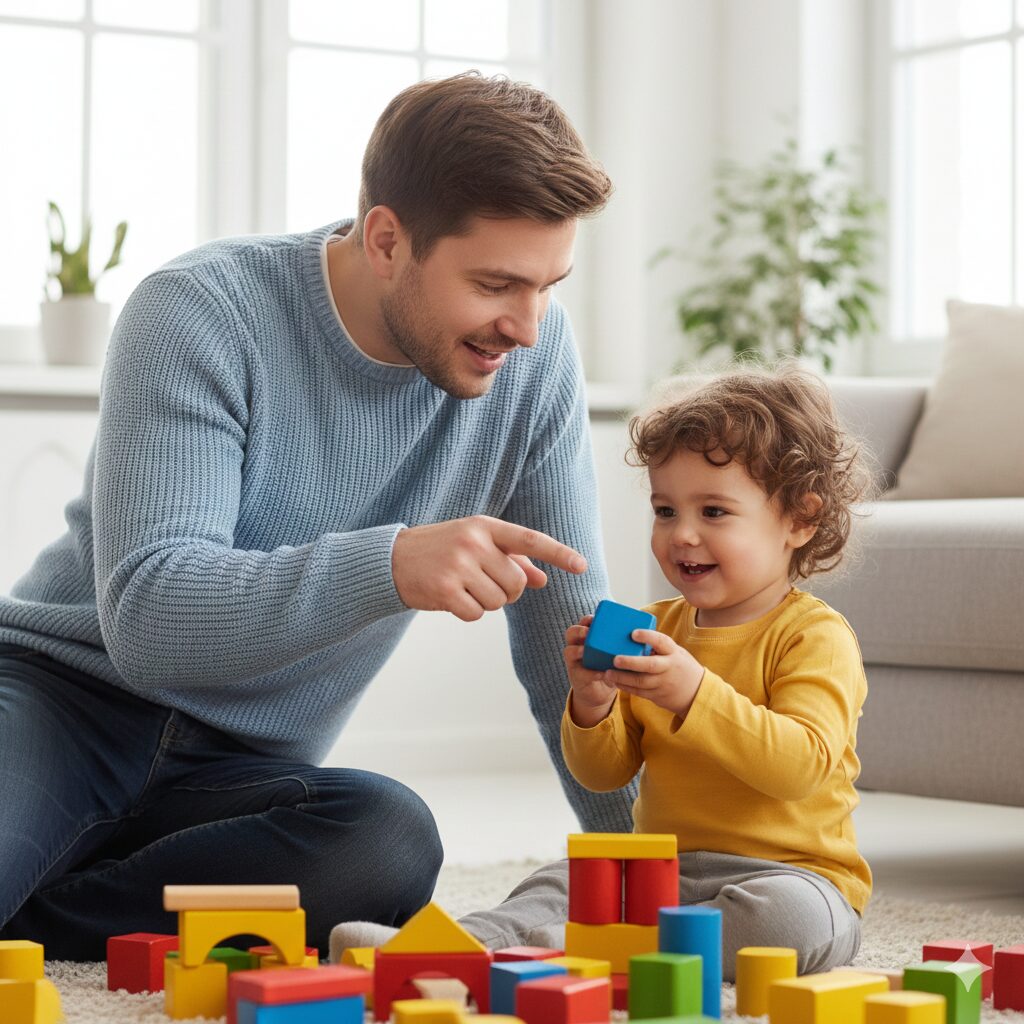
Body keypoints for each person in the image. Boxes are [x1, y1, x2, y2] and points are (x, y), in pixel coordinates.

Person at [0, 72, 634, 960]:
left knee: (387, 841)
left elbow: (565, 635)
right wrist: (391, 564)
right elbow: (147, 618)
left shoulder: (532, 363)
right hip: (66, 702)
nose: (526, 327)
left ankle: (29, 912)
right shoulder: (201, 311)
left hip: (242, 768)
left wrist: (650, 862)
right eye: (496, 283)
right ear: (386, 240)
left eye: (548, 286)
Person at [330, 365, 875, 979]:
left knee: (790, 924)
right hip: (658, 871)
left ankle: (568, 949)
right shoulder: (653, 629)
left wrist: (694, 692)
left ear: (800, 519)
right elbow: (603, 775)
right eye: (665, 510)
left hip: (790, 877)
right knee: (558, 881)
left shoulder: (813, 635)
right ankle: (439, 948)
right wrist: (591, 704)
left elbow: (799, 766)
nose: (682, 534)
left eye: (715, 511)